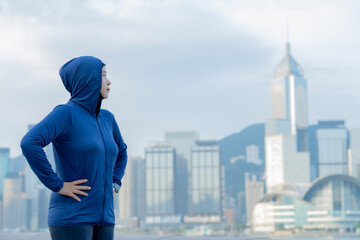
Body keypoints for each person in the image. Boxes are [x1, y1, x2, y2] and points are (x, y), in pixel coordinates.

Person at [20, 56, 127, 240]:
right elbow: (30, 142)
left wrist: (115, 183)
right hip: (71, 217)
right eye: (103, 75)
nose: (108, 81)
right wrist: (57, 185)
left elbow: (122, 152)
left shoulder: (108, 118)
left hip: (105, 218)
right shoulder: (65, 113)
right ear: (88, 80)